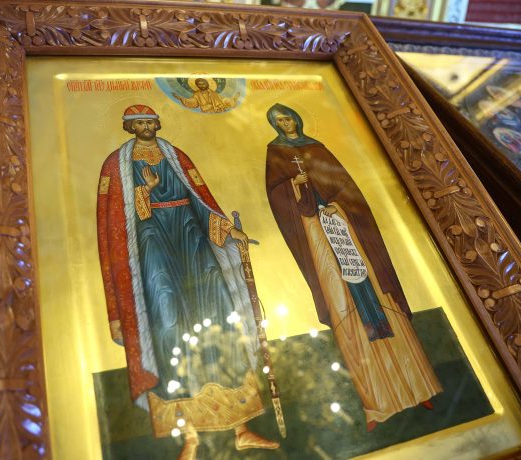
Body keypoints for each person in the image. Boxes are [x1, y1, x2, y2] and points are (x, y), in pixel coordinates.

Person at [96, 105, 278, 459]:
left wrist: (227, 229)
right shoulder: (115, 164)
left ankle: (240, 428)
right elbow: (118, 221)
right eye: (139, 123)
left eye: (150, 121)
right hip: (151, 244)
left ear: (157, 123)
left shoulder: (176, 155)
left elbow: (200, 199)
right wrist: (146, 189)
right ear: (130, 127)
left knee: (219, 311)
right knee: (167, 323)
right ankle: (189, 436)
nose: (146, 127)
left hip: (192, 236)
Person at [265, 103, 442, 431]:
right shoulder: (275, 154)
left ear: (297, 117)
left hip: (345, 228)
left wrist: (337, 205)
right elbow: (277, 197)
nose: (285, 123)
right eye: (279, 121)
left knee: (379, 297)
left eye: (288, 117)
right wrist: (294, 185)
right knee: (342, 303)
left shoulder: (317, 148)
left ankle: (419, 389)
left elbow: (348, 189)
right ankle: (376, 406)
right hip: (315, 234)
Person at [172, 77, 240, 113]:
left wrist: (230, 100)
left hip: (217, 108)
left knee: (225, 100)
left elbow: (220, 99)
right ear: (197, 86)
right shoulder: (197, 94)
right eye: (199, 84)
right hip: (207, 109)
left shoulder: (212, 92)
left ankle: (233, 100)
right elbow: (193, 101)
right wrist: (181, 99)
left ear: (207, 84)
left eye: (203, 84)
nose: (202, 85)